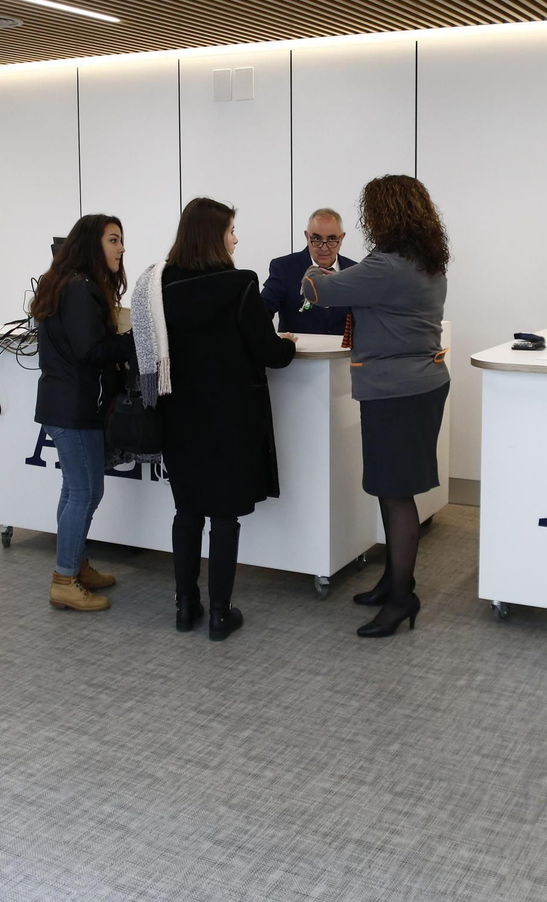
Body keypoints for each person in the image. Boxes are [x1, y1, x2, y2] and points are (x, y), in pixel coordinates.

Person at [302, 175, 449, 638]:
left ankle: (403, 598)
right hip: (418, 384)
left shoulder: (385, 265)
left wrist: (314, 272)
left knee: (396, 492)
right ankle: (393, 581)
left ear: (383, 215)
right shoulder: (427, 260)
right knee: (393, 488)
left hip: (395, 390)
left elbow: (316, 292)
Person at [157, 198, 296, 640]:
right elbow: (269, 352)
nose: (236, 238)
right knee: (223, 518)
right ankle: (219, 614)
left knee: (187, 512)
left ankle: (185, 606)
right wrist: (287, 342)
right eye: (232, 230)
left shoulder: (158, 283)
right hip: (231, 419)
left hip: (178, 416)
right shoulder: (240, 285)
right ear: (214, 236)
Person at [30, 214, 135, 612]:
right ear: (92, 244)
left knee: (76, 490)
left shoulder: (69, 282)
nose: (121, 248)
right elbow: (90, 351)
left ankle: (73, 565)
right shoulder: (80, 289)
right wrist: (131, 341)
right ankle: (63, 580)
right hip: (74, 407)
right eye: (113, 240)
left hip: (68, 404)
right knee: (86, 492)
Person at [260, 207, 356, 335]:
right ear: (307, 236)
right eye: (316, 239)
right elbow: (260, 314)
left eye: (332, 239)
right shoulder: (284, 268)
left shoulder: (354, 271)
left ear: (342, 238)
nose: (324, 247)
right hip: (299, 354)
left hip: (344, 354)